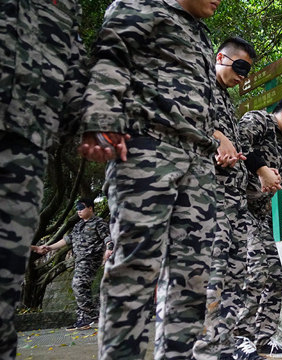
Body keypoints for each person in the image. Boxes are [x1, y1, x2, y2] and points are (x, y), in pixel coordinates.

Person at [78, 0, 224, 358]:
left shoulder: (200, 34)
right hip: (147, 150)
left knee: (193, 278)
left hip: (199, 163)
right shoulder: (139, 6)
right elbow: (110, 61)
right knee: (135, 270)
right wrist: (101, 121)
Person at [0, 0, 87, 357]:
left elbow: (74, 69)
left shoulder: (69, 5)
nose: (80, 211)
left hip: (25, 145)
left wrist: (94, 125)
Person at [192, 36, 256, 360]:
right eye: (240, 67)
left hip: (235, 202)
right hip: (210, 200)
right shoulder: (198, 83)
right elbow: (187, 123)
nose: (243, 76)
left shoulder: (227, 100)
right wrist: (216, 138)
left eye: (247, 71)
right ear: (221, 57)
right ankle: (204, 350)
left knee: (236, 275)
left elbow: (234, 147)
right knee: (213, 275)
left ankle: (224, 346)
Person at [234, 93, 282, 359]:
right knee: (255, 270)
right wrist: (261, 170)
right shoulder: (259, 120)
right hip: (237, 208)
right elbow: (237, 143)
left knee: (275, 275)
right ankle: (238, 338)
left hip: (259, 214)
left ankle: (263, 338)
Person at [37, 199, 112, 331]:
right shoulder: (78, 226)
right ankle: (84, 318)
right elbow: (67, 240)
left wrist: (109, 248)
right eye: (77, 208)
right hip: (79, 260)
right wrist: (49, 247)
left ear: (90, 208)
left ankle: (90, 315)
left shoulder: (98, 223)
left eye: (81, 208)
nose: (79, 210)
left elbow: (107, 237)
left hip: (90, 259)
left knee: (78, 284)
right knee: (81, 287)